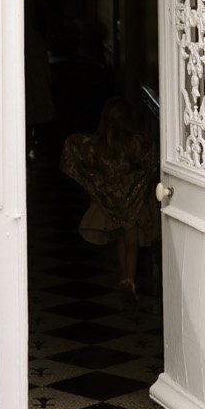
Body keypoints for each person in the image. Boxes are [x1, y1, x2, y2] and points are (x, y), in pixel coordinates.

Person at [59, 93, 159, 298]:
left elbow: (76, 148)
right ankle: (130, 280)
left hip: (110, 201)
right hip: (131, 200)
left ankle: (124, 277)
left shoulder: (98, 144)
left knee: (120, 239)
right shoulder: (133, 143)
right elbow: (149, 160)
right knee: (131, 241)